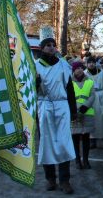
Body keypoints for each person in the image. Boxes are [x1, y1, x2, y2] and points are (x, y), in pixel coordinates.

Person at [36, 36, 77, 194]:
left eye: (53, 45)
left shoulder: (63, 65)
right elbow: (28, 90)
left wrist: (73, 110)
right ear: (42, 48)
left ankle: (65, 180)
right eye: (47, 45)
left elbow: (70, 89)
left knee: (64, 143)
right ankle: (50, 178)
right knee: (47, 143)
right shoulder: (35, 66)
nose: (51, 47)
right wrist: (35, 83)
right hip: (44, 106)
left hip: (62, 106)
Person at [71, 61, 95, 169]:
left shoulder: (90, 81)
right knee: (75, 138)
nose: (79, 70)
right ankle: (77, 160)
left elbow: (92, 96)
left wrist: (84, 107)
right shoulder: (69, 83)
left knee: (86, 138)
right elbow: (69, 98)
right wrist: (76, 109)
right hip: (75, 113)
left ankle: (86, 160)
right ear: (73, 70)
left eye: (81, 67)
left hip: (87, 112)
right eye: (77, 68)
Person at [84, 56, 103, 149]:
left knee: (102, 118)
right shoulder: (84, 74)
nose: (91, 64)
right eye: (89, 62)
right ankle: (92, 139)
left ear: (95, 63)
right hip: (89, 97)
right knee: (91, 118)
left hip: (100, 96)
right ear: (86, 64)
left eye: (93, 62)